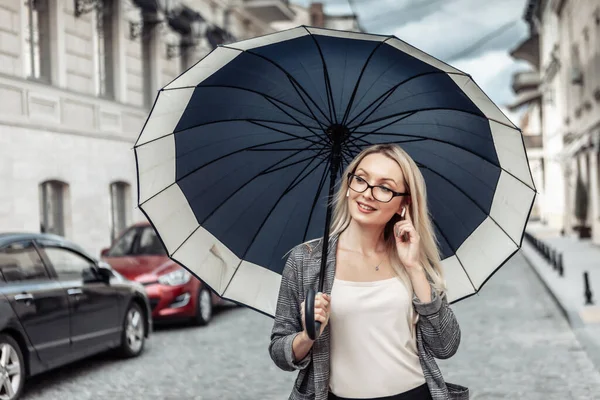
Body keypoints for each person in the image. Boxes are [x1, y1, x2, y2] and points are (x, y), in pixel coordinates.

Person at [268, 144, 469, 400]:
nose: (368, 193)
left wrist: (415, 268)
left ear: (403, 204)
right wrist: (307, 336)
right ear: (348, 186)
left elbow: (446, 345)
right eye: (361, 179)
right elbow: (279, 351)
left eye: (384, 187)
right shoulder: (306, 260)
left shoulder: (411, 257)